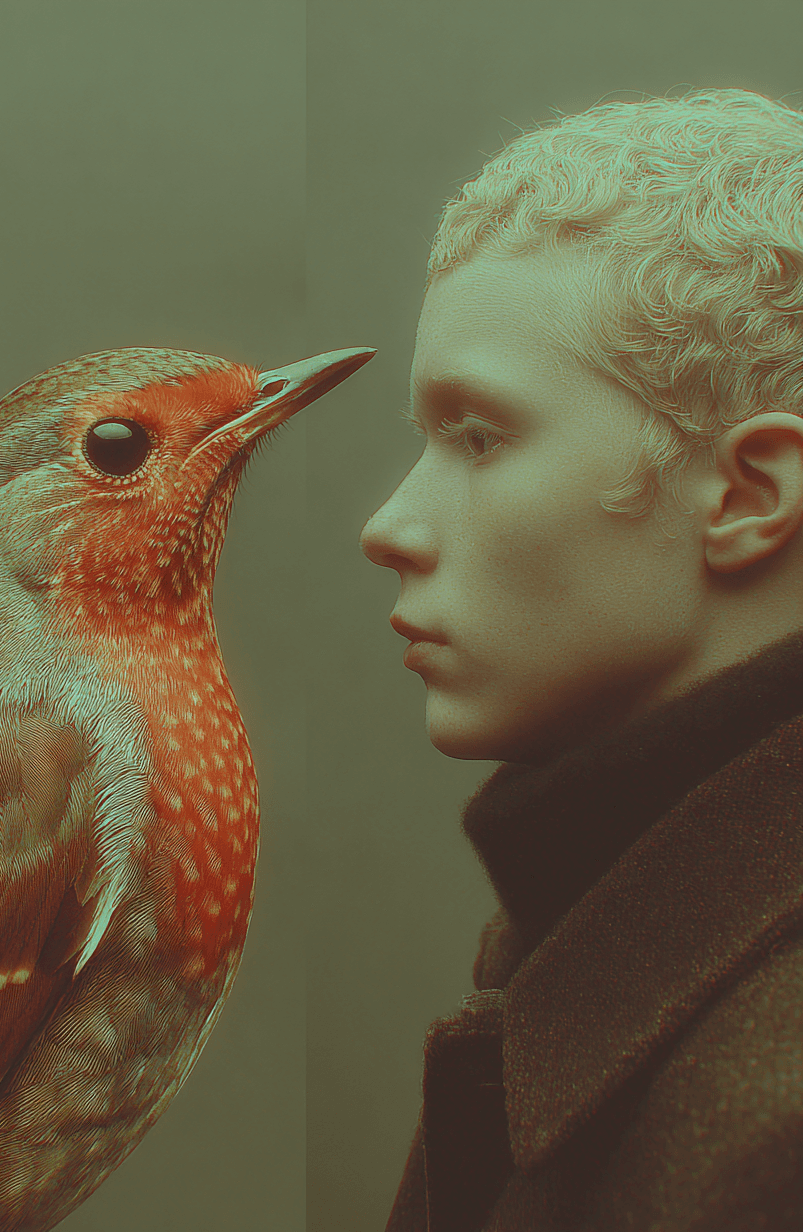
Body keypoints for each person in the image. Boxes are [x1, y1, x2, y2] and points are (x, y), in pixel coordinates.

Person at [360, 88, 803, 1231]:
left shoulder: (773, 1131)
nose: (390, 526)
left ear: (749, 494)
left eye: (478, 436)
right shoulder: (604, 931)